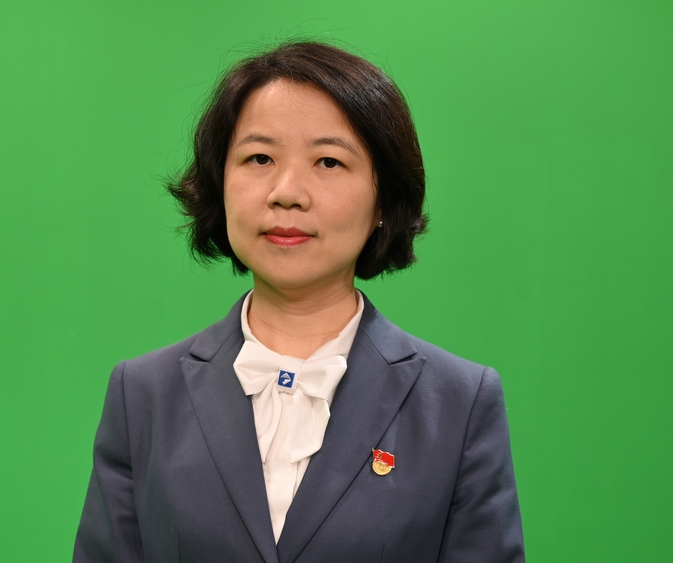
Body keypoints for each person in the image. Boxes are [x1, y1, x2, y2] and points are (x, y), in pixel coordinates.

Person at [73, 41, 524, 563]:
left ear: (384, 199)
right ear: (220, 183)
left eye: (328, 161)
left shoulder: (459, 403)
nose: (287, 192)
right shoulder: (142, 394)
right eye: (259, 158)